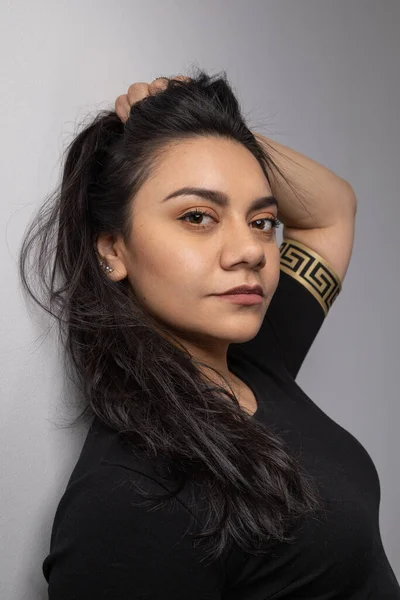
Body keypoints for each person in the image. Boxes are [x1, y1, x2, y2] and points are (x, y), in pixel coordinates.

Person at [19, 69, 400, 598]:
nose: (249, 250)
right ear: (113, 250)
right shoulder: (132, 497)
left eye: (262, 221)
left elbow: (330, 211)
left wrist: (215, 132)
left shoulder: (254, 361)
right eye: (198, 216)